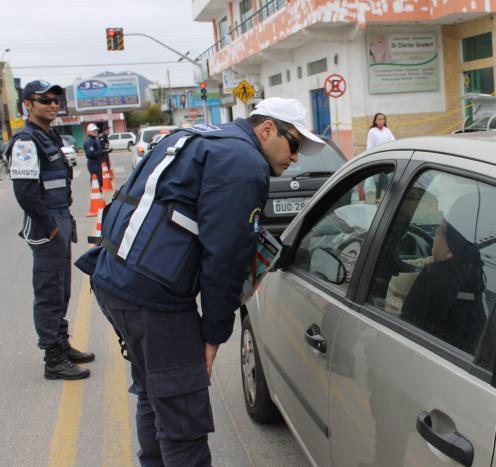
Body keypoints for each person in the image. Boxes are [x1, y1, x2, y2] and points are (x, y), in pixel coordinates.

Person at [75, 97, 325, 466]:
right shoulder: (243, 163)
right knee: (182, 417)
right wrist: (214, 334)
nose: (296, 157)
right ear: (268, 129)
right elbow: (224, 259)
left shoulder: (200, 136)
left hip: (114, 276)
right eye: (295, 145)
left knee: (155, 394)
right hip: (153, 296)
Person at [6, 80, 94, 380]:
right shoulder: (27, 141)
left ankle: (61, 342)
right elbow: (26, 193)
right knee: (48, 292)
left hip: (59, 218)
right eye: (44, 100)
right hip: (46, 223)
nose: (53, 104)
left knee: (62, 288)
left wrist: (65, 221)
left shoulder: (49, 136)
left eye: (56, 99)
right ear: (28, 105)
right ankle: (53, 359)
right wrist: (50, 228)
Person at [401, 195, 487, 355]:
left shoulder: (435, 278)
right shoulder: (475, 276)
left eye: (440, 230)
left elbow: (404, 328)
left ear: (453, 242)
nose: (435, 233)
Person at [84, 123, 108, 188]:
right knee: (96, 182)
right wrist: (102, 152)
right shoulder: (89, 141)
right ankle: (97, 195)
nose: (95, 132)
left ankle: (99, 194)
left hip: (97, 162)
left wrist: (105, 151)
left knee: (99, 181)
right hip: (93, 163)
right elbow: (90, 154)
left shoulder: (95, 139)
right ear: (89, 132)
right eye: (93, 131)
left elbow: (99, 149)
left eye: (96, 130)